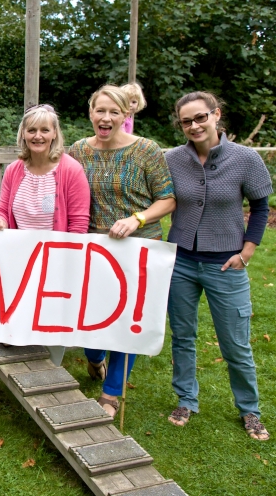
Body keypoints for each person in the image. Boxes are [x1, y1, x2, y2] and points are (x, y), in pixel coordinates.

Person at [165, 91, 272, 440]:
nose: (194, 125)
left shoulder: (245, 159)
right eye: (186, 121)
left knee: (235, 342)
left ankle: (250, 409)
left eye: (200, 117)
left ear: (216, 115)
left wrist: (247, 252)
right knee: (183, 336)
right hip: (180, 260)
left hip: (226, 263)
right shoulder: (172, 159)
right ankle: (186, 399)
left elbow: (260, 208)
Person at [68, 84, 176, 417]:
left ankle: (111, 394)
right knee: (90, 319)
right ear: (90, 113)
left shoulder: (146, 150)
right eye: (100, 110)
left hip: (139, 248)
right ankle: (94, 358)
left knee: (129, 321)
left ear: (125, 115)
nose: (106, 117)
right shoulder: (78, 151)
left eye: (114, 111)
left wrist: (137, 218)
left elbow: (168, 198)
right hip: (94, 249)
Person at [0, 105, 90, 366]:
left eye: (44, 130)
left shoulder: (70, 170)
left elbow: (79, 221)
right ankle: (22, 352)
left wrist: (68, 257)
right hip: (21, 256)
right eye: (31, 130)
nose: (38, 136)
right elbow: (2, 208)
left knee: (53, 313)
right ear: (23, 133)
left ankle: (53, 364)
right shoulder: (14, 170)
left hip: (57, 256)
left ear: (54, 133)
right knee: (22, 304)